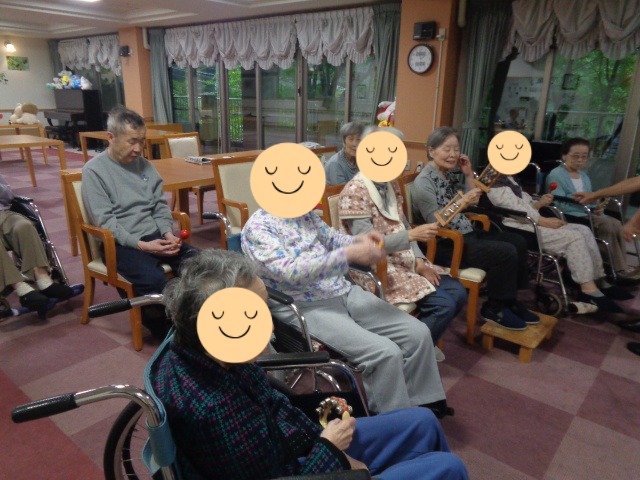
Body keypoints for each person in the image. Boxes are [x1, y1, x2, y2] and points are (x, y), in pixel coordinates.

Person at [154, 249, 469, 480]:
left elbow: (275, 404)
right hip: (301, 469)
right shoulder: (216, 408)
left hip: (294, 447)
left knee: (422, 421)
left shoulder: (210, 352)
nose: (270, 327)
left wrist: (322, 440)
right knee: (449, 468)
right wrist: (331, 451)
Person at [241, 207, 452, 416]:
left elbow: (334, 239)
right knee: (384, 353)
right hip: (304, 304)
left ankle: (425, 402)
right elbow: (291, 272)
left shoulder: (303, 215)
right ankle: (394, 421)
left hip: (341, 289)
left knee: (418, 332)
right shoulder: (258, 228)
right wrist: (347, 254)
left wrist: (359, 241)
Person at [338, 127, 467, 350]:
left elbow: (404, 225)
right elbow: (367, 246)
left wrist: (420, 261)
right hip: (376, 267)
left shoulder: (391, 184)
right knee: (444, 304)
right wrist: (410, 236)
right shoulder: (354, 191)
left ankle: (422, 345)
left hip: (403, 260)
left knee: (458, 292)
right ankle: (412, 352)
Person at [81, 106, 197, 336]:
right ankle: (172, 332)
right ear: (111, 137)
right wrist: (142, 245)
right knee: (156, 281)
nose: (138, 148)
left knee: (200, 265)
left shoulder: (145, 166)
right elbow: (106, 223)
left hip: (154, 236)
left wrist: (168, 234)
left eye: (142, 141)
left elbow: (159, 207)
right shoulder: (94, 171)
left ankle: (198, 317)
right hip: (121, 243)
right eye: (132, 141)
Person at [411, 126, 538, 331]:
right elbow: (434, 222)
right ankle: (495, 307)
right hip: (446, 243)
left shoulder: (447, 174)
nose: (453, 154)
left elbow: (474, 199)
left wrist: (468, 174)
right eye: (447, 149)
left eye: (456, 149)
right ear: (431, 151)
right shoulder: (423, 183)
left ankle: (510, 300)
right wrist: (462, 203)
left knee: (518, 241)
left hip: (465, 233)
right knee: (505, 252)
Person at [487, 175, 624, 313]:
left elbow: (525, 205)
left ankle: (598, 279)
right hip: (516, 226)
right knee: (574, 238)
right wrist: (542, 221)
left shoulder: (511, 179)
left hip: (529, 220)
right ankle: (588, 289)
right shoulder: (495, 183)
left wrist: (540, 203)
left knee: (584, 230)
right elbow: (512, 208)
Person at [545, 137, 640, 280]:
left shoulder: (584, 176)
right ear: (564, 155)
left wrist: (596, 208)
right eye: (576, 156)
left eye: (584, 156)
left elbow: (590, 198)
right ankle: (617, 269)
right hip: (570, 214)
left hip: (586, 213)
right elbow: (558, 202)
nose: (580, 160)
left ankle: (619, 266)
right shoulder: (556, 175)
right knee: (608, 225)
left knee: (616, 223)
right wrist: (585, 205)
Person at [0, 174, 74, 314]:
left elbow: (9, 196)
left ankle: (43, 280)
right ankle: (21, 288)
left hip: (2, 213)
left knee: (24, 226)